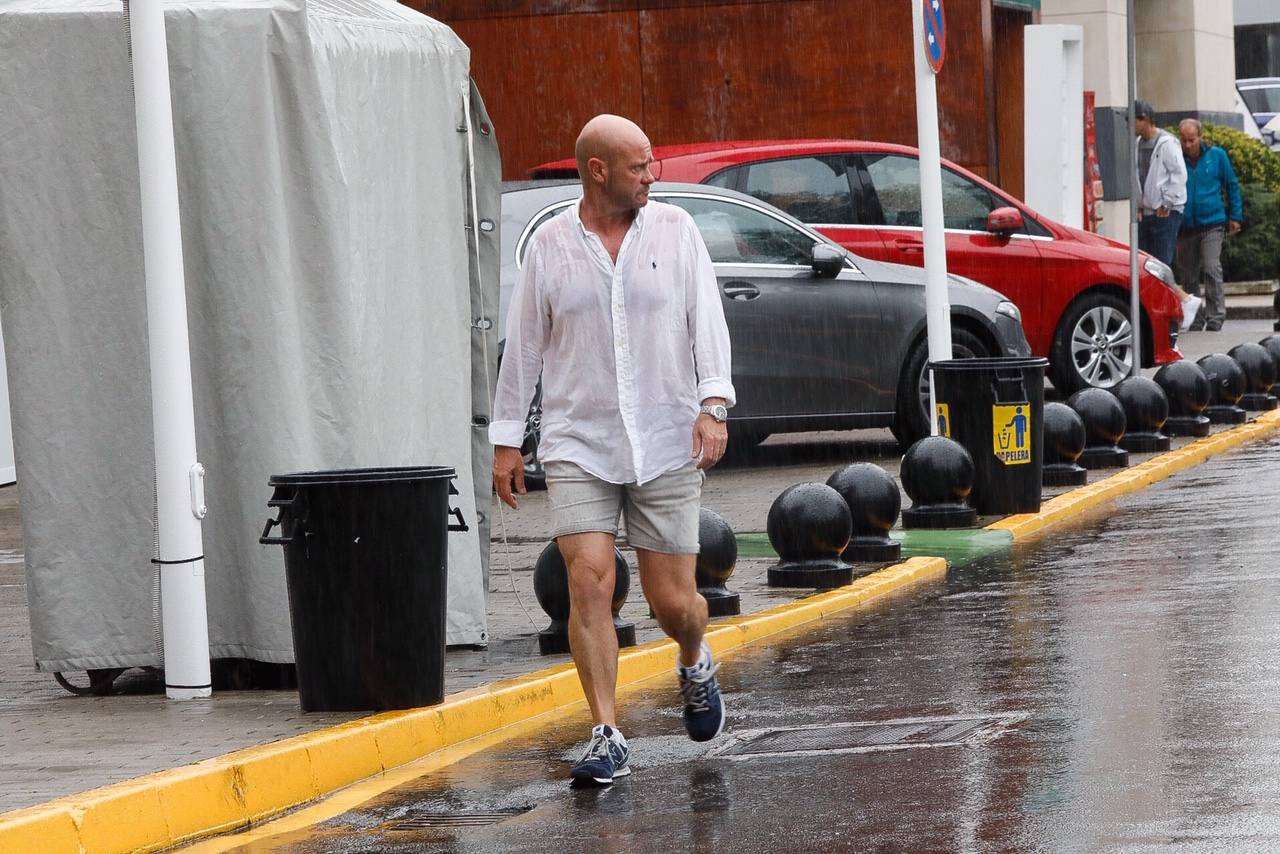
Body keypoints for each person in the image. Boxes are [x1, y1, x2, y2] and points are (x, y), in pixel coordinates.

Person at [490, 114, 736, 788]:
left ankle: (693, 660)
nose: (651, 176)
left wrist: (714, 405)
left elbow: (705, 323)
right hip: (580, 441)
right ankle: (607, 732)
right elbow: (527, 345)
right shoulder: (550, 246)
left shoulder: (677, 233)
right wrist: (507, 440)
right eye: (638, 166)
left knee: (673, 604)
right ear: (597, 170)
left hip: (665, 437)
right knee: (588, 583)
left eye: (652, 164)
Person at [1175, 118, 1243, 331]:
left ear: (1200, 137)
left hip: (1212, 222)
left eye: (1191, 140)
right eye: (1184, 140)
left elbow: (1231, 184)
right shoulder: (1176, 157)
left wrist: (1236, 216)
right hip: (1185, 225)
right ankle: (1194, 319)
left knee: (1212, 268)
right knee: (1188, 275)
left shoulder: (1216, 156)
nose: (1187, 145)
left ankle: (1215, 317)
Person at [1133, 100, 1187, 267]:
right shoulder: (1137, 143)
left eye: (1132, 120)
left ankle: (1165, 293)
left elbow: (1179, 174)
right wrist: (1138, 205)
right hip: (1147, 211)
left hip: (1165, 212)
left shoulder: (1167, 143)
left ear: (1145, 119)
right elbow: (1137, 175)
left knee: (1161, 262)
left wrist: (1167, 203)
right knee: (1146, 262)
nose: (1130, 125)